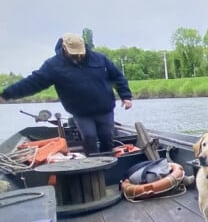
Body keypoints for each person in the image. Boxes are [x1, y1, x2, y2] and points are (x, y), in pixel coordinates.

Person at [0, 33, 133, 155]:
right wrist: (6, 95)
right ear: (64, 48)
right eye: (74, 53)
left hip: (105, 109)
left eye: (80, 52)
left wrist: (126, 96)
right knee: (90, 137)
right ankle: (94, 165)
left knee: (107, 138)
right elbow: (32, 83)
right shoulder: (53, 66)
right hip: (81, 113)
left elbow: (117, 77)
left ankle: (109, 163)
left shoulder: (100, 59)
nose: (78, 56)